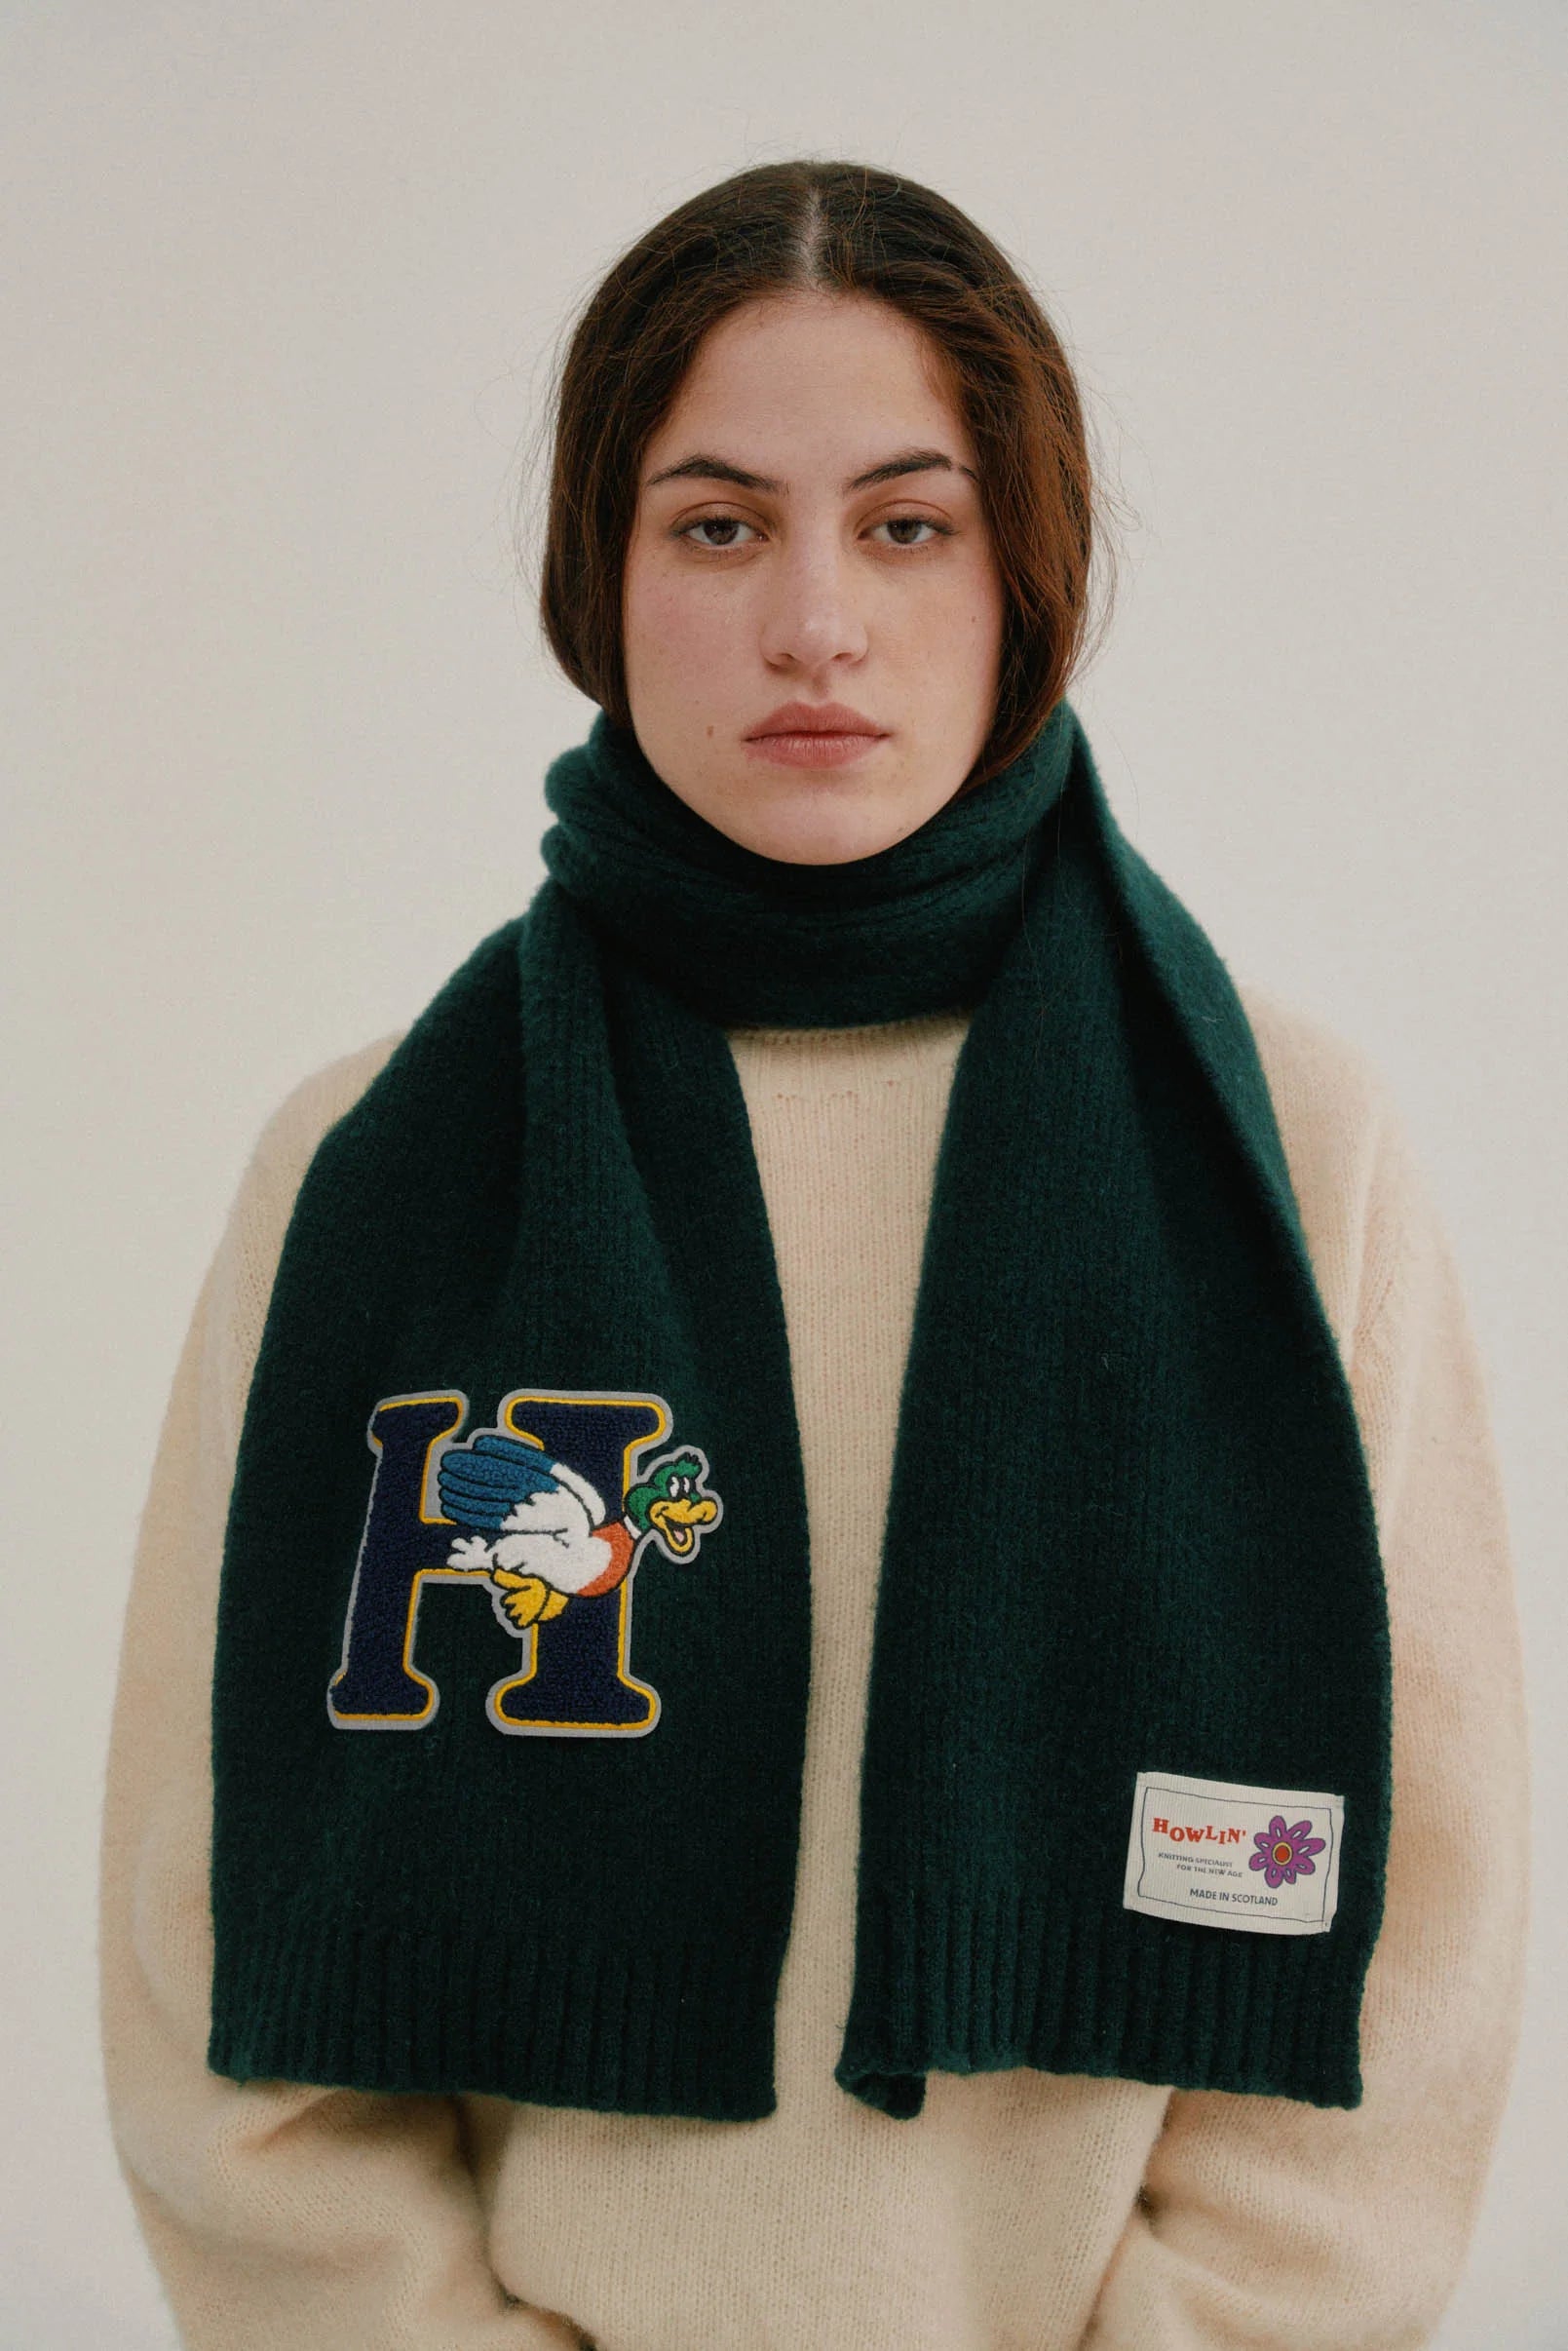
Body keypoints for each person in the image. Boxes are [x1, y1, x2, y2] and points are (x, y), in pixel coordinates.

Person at [99, 158, 1529, 2351]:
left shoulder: (1290, 1146)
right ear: (598, 575)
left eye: (905, 524)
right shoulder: (361, 1167)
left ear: (1024, 571)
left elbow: (1420, 1940)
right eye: (715, 526)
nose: (815, 626)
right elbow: (211, 1936)